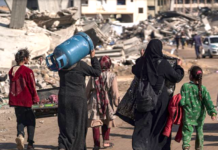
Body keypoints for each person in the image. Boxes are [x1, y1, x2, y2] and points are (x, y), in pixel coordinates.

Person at [132, 39, 184, 150]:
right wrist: (179, 66)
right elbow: (176, 77)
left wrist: (142, 57)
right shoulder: (163, 63)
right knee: (159, 128)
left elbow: (135, 70)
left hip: (144, 100)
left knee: (144, 128)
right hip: (161, 102)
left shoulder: (143, 62)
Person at [58, 49, 101, 150]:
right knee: (79, 126)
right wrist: (93, 57)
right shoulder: (80, 65)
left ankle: (63, 145)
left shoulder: (61, 66)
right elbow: (97, 72)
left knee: (65, 125)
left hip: (64, 98)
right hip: (78, 100)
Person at [86, 56, 120, 150]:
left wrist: (85, 99)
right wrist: (116, 102)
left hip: (95, 100)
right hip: (107, 101)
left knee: (95, 122)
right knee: (107, 120)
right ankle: (106, 142)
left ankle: (96, 145)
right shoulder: (112, 75)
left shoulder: (94, 75)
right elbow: (114, 92)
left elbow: (88, 90)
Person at [180, 66, 217, 150]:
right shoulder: (203, 89)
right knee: (200, 131)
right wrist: (212, 113)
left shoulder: (185, 86)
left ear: (191, 76)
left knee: (187, 132)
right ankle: (199, 147)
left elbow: (182, 102)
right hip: (199, 116)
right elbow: (208, 102)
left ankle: (186, 146)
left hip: (188, 116)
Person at [9, 49, 39, 150]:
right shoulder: (28, 71)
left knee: (20, 120)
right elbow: (32, 86)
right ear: (25, 59)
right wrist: (35, 98)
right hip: (26, 100)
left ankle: (20, 135)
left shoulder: (11, 71)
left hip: (16, 101)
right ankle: (30, 144)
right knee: (31, 121)